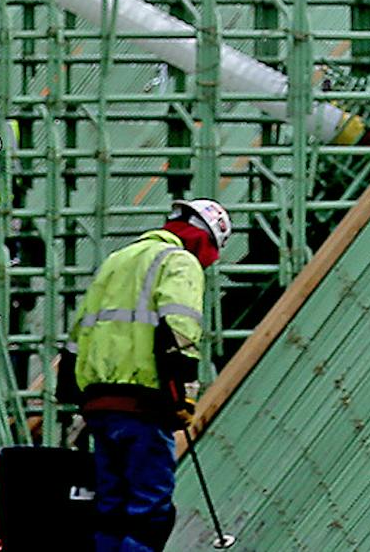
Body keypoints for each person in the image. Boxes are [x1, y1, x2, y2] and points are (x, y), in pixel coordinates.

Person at [71, 197, 230, 552]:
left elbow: (80, 328)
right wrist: (183, 395)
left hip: (100, 404)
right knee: (149, 515)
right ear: (203, 240)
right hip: (144, 405)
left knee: (110, 510)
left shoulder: (118, 260)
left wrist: (77, 391)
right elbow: (180, 330)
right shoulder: (180, 262)